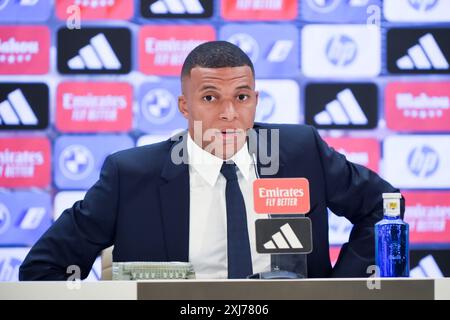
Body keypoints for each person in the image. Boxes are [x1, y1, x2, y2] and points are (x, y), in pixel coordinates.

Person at [19, 41, 402, 280]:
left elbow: (386, 208)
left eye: (241, 96)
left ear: (255, 99)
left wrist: (336, 292)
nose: (228, 113)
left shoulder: (300, 151)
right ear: (184, 106)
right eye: (209, 98)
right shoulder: (131, 175)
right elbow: (43, 269)